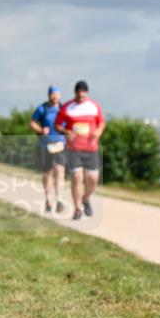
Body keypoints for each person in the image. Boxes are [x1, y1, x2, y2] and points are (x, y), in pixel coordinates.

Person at [55, 80, 106, 220]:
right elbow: (57, 125)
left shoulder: (94, 106)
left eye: (83, 93)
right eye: (78, 93)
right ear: (75, 92)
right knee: (77, 176)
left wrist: (99, 131)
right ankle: (77, 209)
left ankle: (86, 198)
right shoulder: (67, 107)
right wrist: (66, 131)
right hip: (74, 148)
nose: (81, 96)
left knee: (93, 178)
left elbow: (101, 123)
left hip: (91, 147)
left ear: (87, 93)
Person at [29, 85, 68, 213]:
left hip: (60, 144)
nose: (55, 96)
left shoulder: (64, 109)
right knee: (47, 173)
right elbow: (32, 123)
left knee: (59, 171)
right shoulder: (42, 109)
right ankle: (48, 200)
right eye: (52, 94)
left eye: (57, 94)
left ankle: (60, 200)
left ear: (60, 95)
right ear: (49, 95)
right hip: (45, 145)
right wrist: (40, 130)